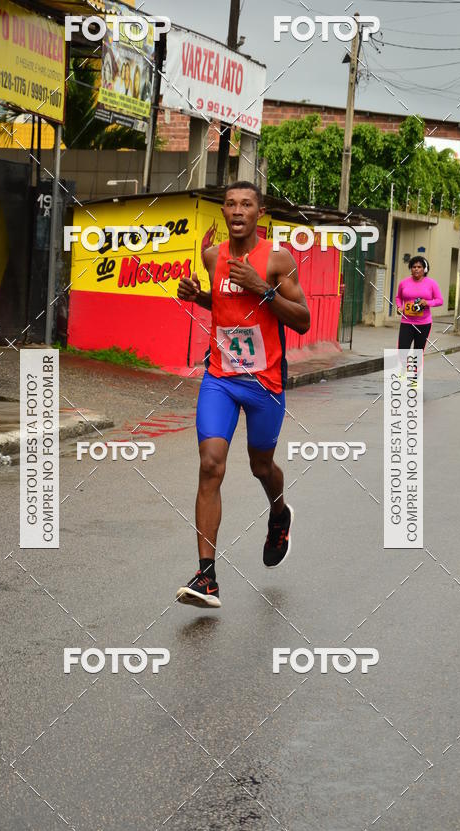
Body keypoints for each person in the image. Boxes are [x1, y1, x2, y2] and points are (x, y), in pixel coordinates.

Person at [175, 181, 310, 609]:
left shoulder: (276, 259)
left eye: (246, 204)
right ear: (224, 212)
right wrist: (200, 297)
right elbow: (226, 309)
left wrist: (263, 288)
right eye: (230, 204)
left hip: (264, 383)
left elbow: (303, 320)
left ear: (259, 212)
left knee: (260, 465)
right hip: (220, 377)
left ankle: (279, 513)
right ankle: (206, 576)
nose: (237, 211)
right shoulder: (212, 255)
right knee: (210, 464)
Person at [395, 256, 443, 350]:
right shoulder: (403, 283)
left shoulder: (432, 283)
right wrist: (399, 307)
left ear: (424, 269)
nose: (416, 269)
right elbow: (398, 297)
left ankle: (414, 365)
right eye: (414, 267)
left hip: (424, 323)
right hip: (407, 322)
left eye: (419, 267)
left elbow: (439, 300)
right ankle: (402, 365)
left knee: (418, 351)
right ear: (411, 269)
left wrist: (427, 303)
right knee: (402, 349)